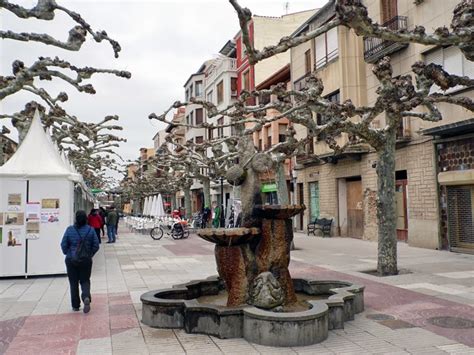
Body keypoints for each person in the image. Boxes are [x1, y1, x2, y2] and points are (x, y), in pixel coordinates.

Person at [61, 210, 99, 313]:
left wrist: (68, 253)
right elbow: (96, 245)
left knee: (73, 283)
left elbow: (63, 245)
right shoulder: (90, 230)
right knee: (85, 280)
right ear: (86, 219)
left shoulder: (69, 230)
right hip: (86, 260)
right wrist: (90, 254)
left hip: (71, 260)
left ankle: (75, 305)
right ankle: (86, 297)